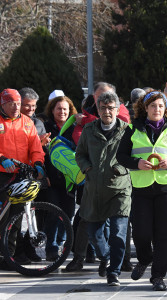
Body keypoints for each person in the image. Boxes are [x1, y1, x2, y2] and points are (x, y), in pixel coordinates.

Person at [117, 91, 167, 291]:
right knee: (141, 232)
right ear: (145, 108)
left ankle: (158, 276)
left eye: (160, 106)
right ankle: (144, 258)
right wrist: (137, 162)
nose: (157, 109)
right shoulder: (133, 129)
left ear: (166, 108)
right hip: (141, 187)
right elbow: (121, 156)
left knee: (163, 234)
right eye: (153, 105)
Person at [75, 91, 132, 286]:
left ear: (117, 109)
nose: (107, 111)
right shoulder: (89, 130)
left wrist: (121, 167)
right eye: (103, 108)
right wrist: (87, 167)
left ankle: (113, 272)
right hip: (94, 189)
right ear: (97, 110)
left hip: (119, 189)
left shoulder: (128, 131)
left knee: (118, 233)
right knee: (95, 234)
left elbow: (135, 156)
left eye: (110, 108)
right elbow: (80, 154)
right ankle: (105, 257)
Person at [0, 89, 45, 270]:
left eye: (18, 103)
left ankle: (8, 257)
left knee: (17, 218)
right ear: (2, 104)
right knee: (3, 216)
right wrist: (2, 158)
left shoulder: (27, 122)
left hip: (21, 174)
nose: (16, 107)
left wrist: (39, 163)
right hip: (2, 173)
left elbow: (35, 146)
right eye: (11, 103)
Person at [43, 95, 78, 261]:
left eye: (65, 109)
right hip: (52, 179)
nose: (62, 112)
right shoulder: (45, 126)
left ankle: (61, 241)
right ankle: (51, 246)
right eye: (59, 108)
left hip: (70, 180)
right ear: (52, 110)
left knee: (68, 213)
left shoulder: (74, 128)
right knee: (53, 212)